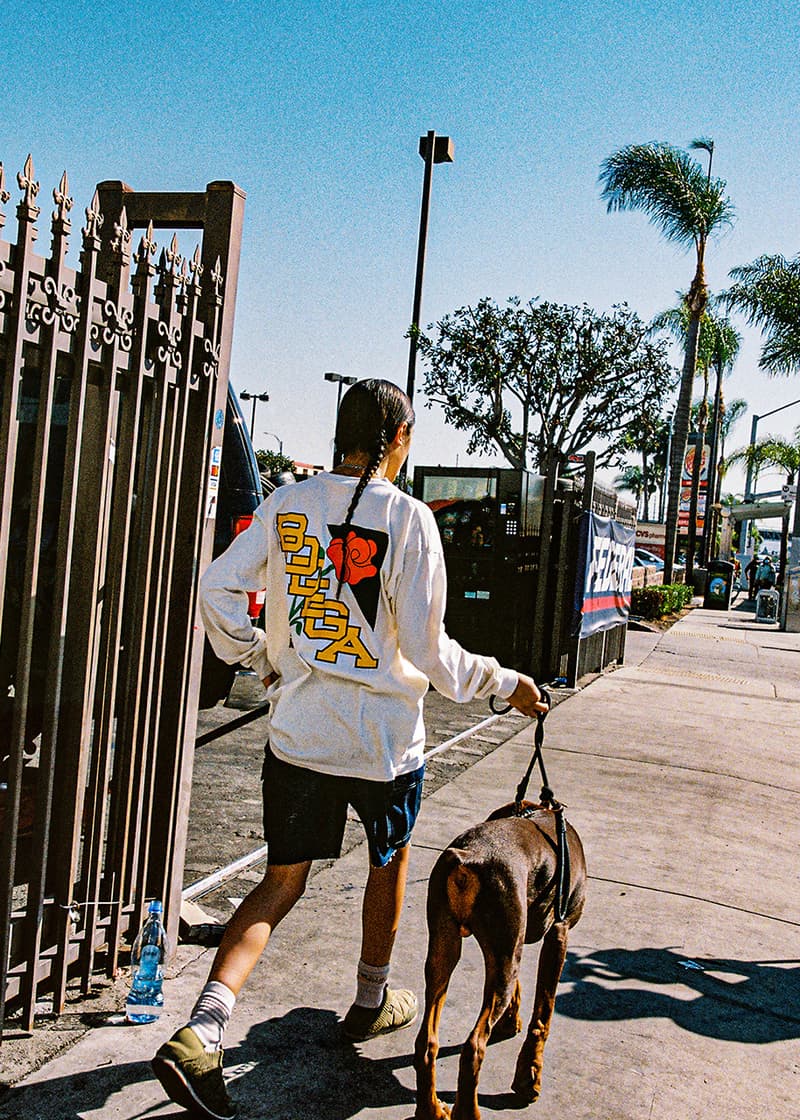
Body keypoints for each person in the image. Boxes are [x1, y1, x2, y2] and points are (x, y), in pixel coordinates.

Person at [151, 379, 546, 1120]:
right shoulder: (411, 519)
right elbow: (433, 654)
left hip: (300, 737)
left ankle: (201, 1032)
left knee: (280, 882)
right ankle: (369, 999)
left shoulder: (288, 503)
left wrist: (255, 660)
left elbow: (216, 587)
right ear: (398, 437)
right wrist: (508, 683)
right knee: (387, 864)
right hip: (386, 748)